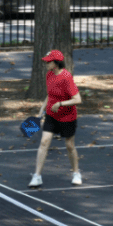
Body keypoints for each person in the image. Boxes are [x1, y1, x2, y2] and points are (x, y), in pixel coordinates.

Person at [29, 50, 83, 188]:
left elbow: (77, 99)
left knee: (69, 146)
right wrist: (40, 112)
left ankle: (76, 173)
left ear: (56, 63)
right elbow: (50, 95)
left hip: (67, 116)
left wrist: (60, 104)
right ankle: (37, 176)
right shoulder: (49, 75)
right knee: (44, 142)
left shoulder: (66, 77)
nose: (46, 63)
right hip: (51, 116)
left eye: (49, 61)